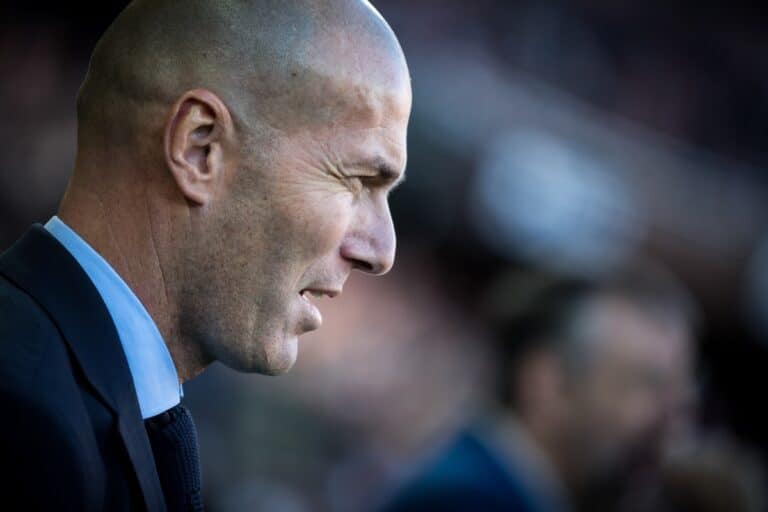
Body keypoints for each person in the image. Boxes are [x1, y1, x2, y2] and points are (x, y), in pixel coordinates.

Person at [0, 0, 411, 510]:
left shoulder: (75, 398)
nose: (381, 251)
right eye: (357, 181)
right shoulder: (22, 414)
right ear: (200, 149)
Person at [379, 269, 696, 512]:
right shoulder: (463, 501)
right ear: (549, 381)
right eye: (647, 385)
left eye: (683, 392)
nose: (673, 420)